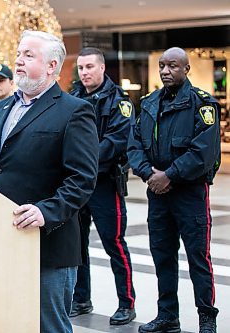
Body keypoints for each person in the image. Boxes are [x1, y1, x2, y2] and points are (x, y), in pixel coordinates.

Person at [0, 30, 99, 333]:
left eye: (29, 55)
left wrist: (45, 212)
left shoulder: (74, 111)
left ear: (52, 66)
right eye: (18, 54)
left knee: (48, 326)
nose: (19, 61)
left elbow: (81, 178)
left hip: (48, 246)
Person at [128, 47, 220, 333]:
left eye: (173, 66)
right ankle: (168, 316)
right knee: (163, 256)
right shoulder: (149, 103)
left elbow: (204, 151)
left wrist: (169, 175)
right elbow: (134, 145)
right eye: (162, 65)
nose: (166, 71)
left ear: (186, 69)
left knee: (198, 258)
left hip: (190, 194)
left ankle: (207, 318)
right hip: (158, 195)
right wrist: (149, 174)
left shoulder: (203, 105)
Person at [69, 47, 136, 325]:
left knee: (114, 244)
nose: (84, 73)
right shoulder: (71, 97)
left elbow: (116, 141)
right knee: (78, 243)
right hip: (77, 183)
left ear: (102, 68)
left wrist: (82, 161)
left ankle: (126, 303)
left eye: (89, 67)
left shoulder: (120, 101)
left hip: (105, 183)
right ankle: (81, 298)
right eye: (81, 68)